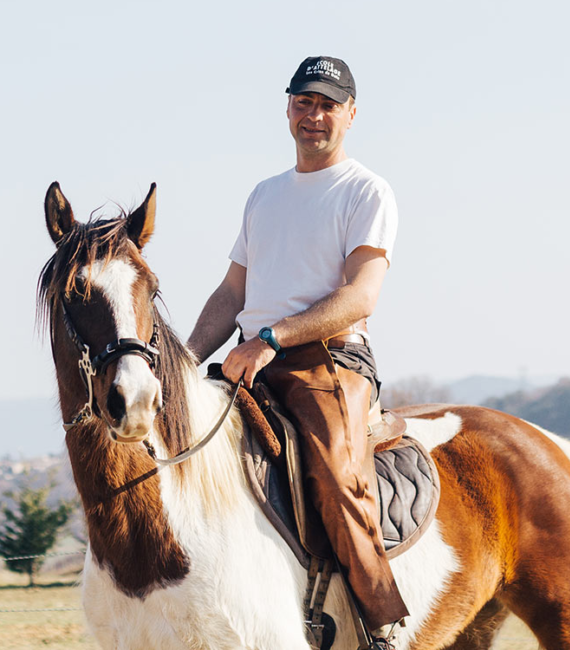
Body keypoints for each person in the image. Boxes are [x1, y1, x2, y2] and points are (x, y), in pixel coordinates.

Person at [188, 55, 408, 648]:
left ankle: (378, 622)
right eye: (304, 102)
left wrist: (270, 339)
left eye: (328, 105)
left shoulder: (366, 190)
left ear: (351, 115)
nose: (314, 116)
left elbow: (360, 297)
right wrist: (183, 360)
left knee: (336, 473)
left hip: (328, 361)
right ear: (288, 108)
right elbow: (233, 290)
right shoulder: (264, 195)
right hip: (248, 359)